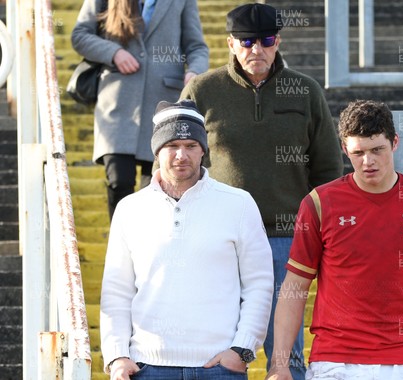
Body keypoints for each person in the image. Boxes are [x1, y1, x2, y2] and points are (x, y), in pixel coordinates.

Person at [266, 100, 403, 380]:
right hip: (334, 362)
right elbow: (295, 286)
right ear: (344, 149)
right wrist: (279, 364)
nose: (368, 161)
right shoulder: (319, 203)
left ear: (394, 142)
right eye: (358, 152)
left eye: (377, 150)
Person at [180, 3, 343, 378]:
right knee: (218, 347)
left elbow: (327, 170)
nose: (258, 50)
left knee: (286, 353)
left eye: (267, 40)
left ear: (278, 40)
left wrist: (322, 234)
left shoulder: (305, 90)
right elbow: (179, 158)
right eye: (247, 41)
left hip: (286, 239)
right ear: (230, 43)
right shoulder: (202, 90)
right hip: (219, 237)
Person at [100, 100, 273, 380]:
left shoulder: (238, 204)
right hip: (147, 367)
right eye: (172, 146)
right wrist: (118, 355)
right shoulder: (130, 208)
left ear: (203, 150)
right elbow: (116, 291)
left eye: (191, 145)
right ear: (157, 151)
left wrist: (242, 350)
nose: (182, 155)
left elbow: (259, 283)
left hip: (219, 367)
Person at [71, 0, 209, 220]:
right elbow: (79, 35)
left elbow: (197, 47)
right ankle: (121, 243)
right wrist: (113, 52)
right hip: (117, 104)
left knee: (156, 188)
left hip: (163, 105)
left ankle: (150, 249)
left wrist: (195, 72)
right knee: (119, 181)